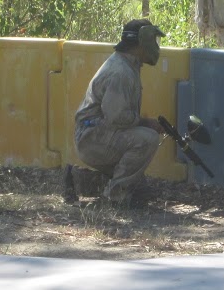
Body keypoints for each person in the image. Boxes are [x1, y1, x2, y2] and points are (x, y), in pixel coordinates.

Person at [68, 19, 166, 207]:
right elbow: (118, 118)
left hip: (95, 134)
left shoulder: (126, 65)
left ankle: (77, 179)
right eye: (152, 40)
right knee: (147, 140)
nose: (155, 46)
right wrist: (146, 123)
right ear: (141, 42)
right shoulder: (121, 72)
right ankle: (115, 199)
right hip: (92, 137)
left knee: (138, 184)